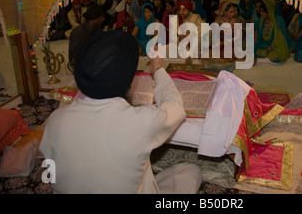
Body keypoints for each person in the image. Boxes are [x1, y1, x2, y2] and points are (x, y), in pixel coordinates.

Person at [39, 31, 202, 193]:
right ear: (128, 80)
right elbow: (175, 107)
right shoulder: (139, 122)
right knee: (191, 172)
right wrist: (157, 69)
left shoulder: (55, 120)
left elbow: (53, 174)